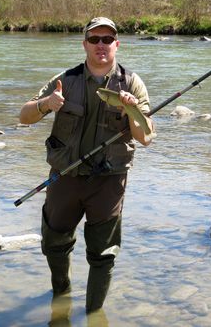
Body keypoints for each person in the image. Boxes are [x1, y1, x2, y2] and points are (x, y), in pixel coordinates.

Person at [19, 17, 154, 313]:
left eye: (108, 39)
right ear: (85, 45)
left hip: (109, 181)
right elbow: (24, 116)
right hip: (65, 177)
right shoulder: (64, 80)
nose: (101, 45)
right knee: (54, 243)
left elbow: (145, 137)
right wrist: (46, 104)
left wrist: (131, 109)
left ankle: (93, 314)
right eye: (94, 39)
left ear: (117, 44)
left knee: (103, 254)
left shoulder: (132, 83)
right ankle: (61, 295)